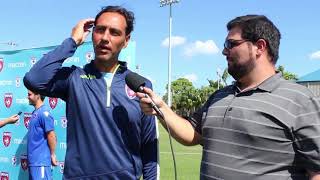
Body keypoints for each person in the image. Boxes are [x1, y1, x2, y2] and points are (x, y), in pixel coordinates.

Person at [137, 15, 320, 180]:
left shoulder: (299, 99)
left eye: (231, 44)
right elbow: (192, 134)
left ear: (260, 47)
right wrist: (160, 107)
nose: (224, 52)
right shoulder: (219, 95)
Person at [23, 6, 158, 179]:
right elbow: (33, 79)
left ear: (126, 40)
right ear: (92, 34)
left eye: (114, 32)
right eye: (100, 30)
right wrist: (72, 41)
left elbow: (149, 147)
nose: (105, 38)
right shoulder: (74, 78)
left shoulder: (140, 85)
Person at [27, 89, 57, 180]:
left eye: (29, 94)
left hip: (41, 163)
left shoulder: (44, 113)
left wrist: (52, 154)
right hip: (34, 163)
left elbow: (51, 135)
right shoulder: (35, 112)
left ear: (38, 95)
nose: (27, 97)